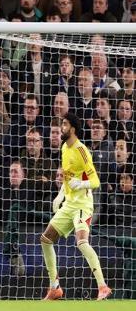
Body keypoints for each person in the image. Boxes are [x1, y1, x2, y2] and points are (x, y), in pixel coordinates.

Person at [40, 112, 112, 301]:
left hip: (83, 205)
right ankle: (54, 287)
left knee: (81, 243)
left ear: (72, 128)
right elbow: (67, 177)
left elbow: (95, 181)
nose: (61, 128)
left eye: (64, 124)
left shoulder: (82, 150)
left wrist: (81, 184)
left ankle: (103, 286)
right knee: (46, 239)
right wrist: (60, 196)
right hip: (69, 204)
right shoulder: (64, 148)